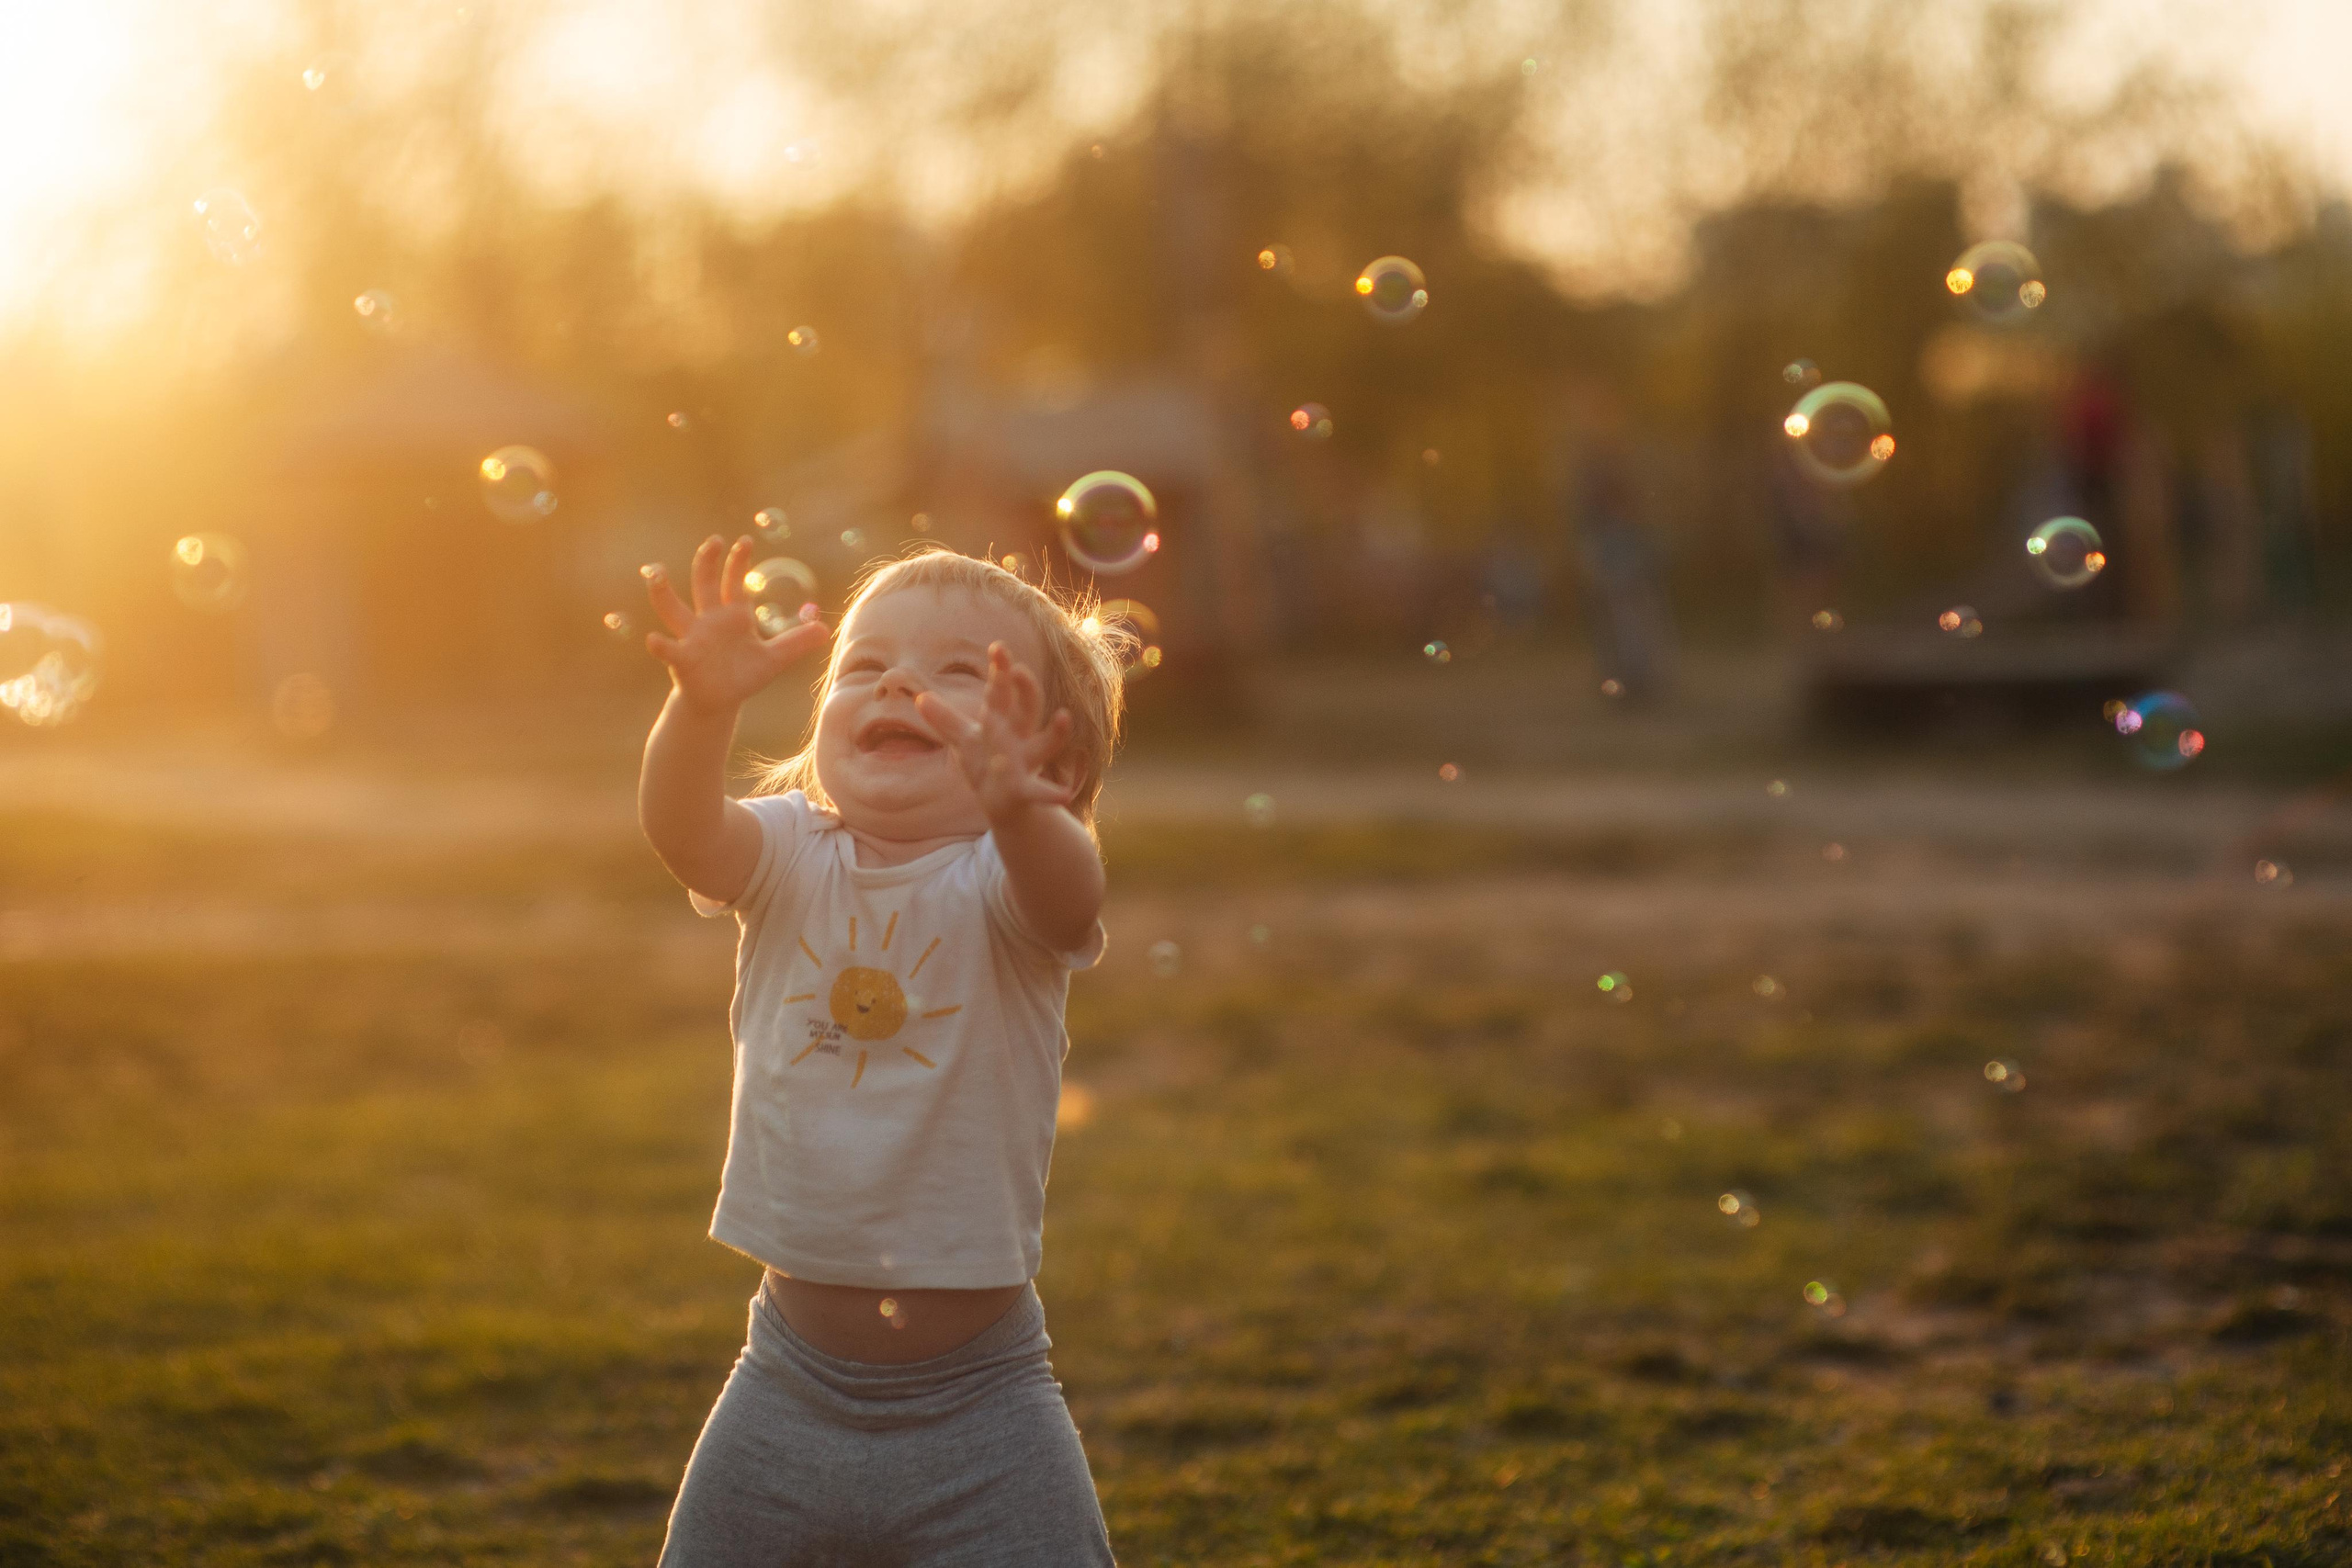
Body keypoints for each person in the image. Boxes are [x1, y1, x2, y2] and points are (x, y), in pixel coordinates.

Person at [634, 537, 1125, 1565]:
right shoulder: (785, 854)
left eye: (961, 673)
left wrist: (1022, 812)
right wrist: (702, 708)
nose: (899, 683)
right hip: (782, 1392)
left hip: (985, 1414)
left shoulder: (1004, 880)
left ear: (1055, 759)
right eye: (863, 666)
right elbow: (682, 830)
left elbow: (1069, 893)